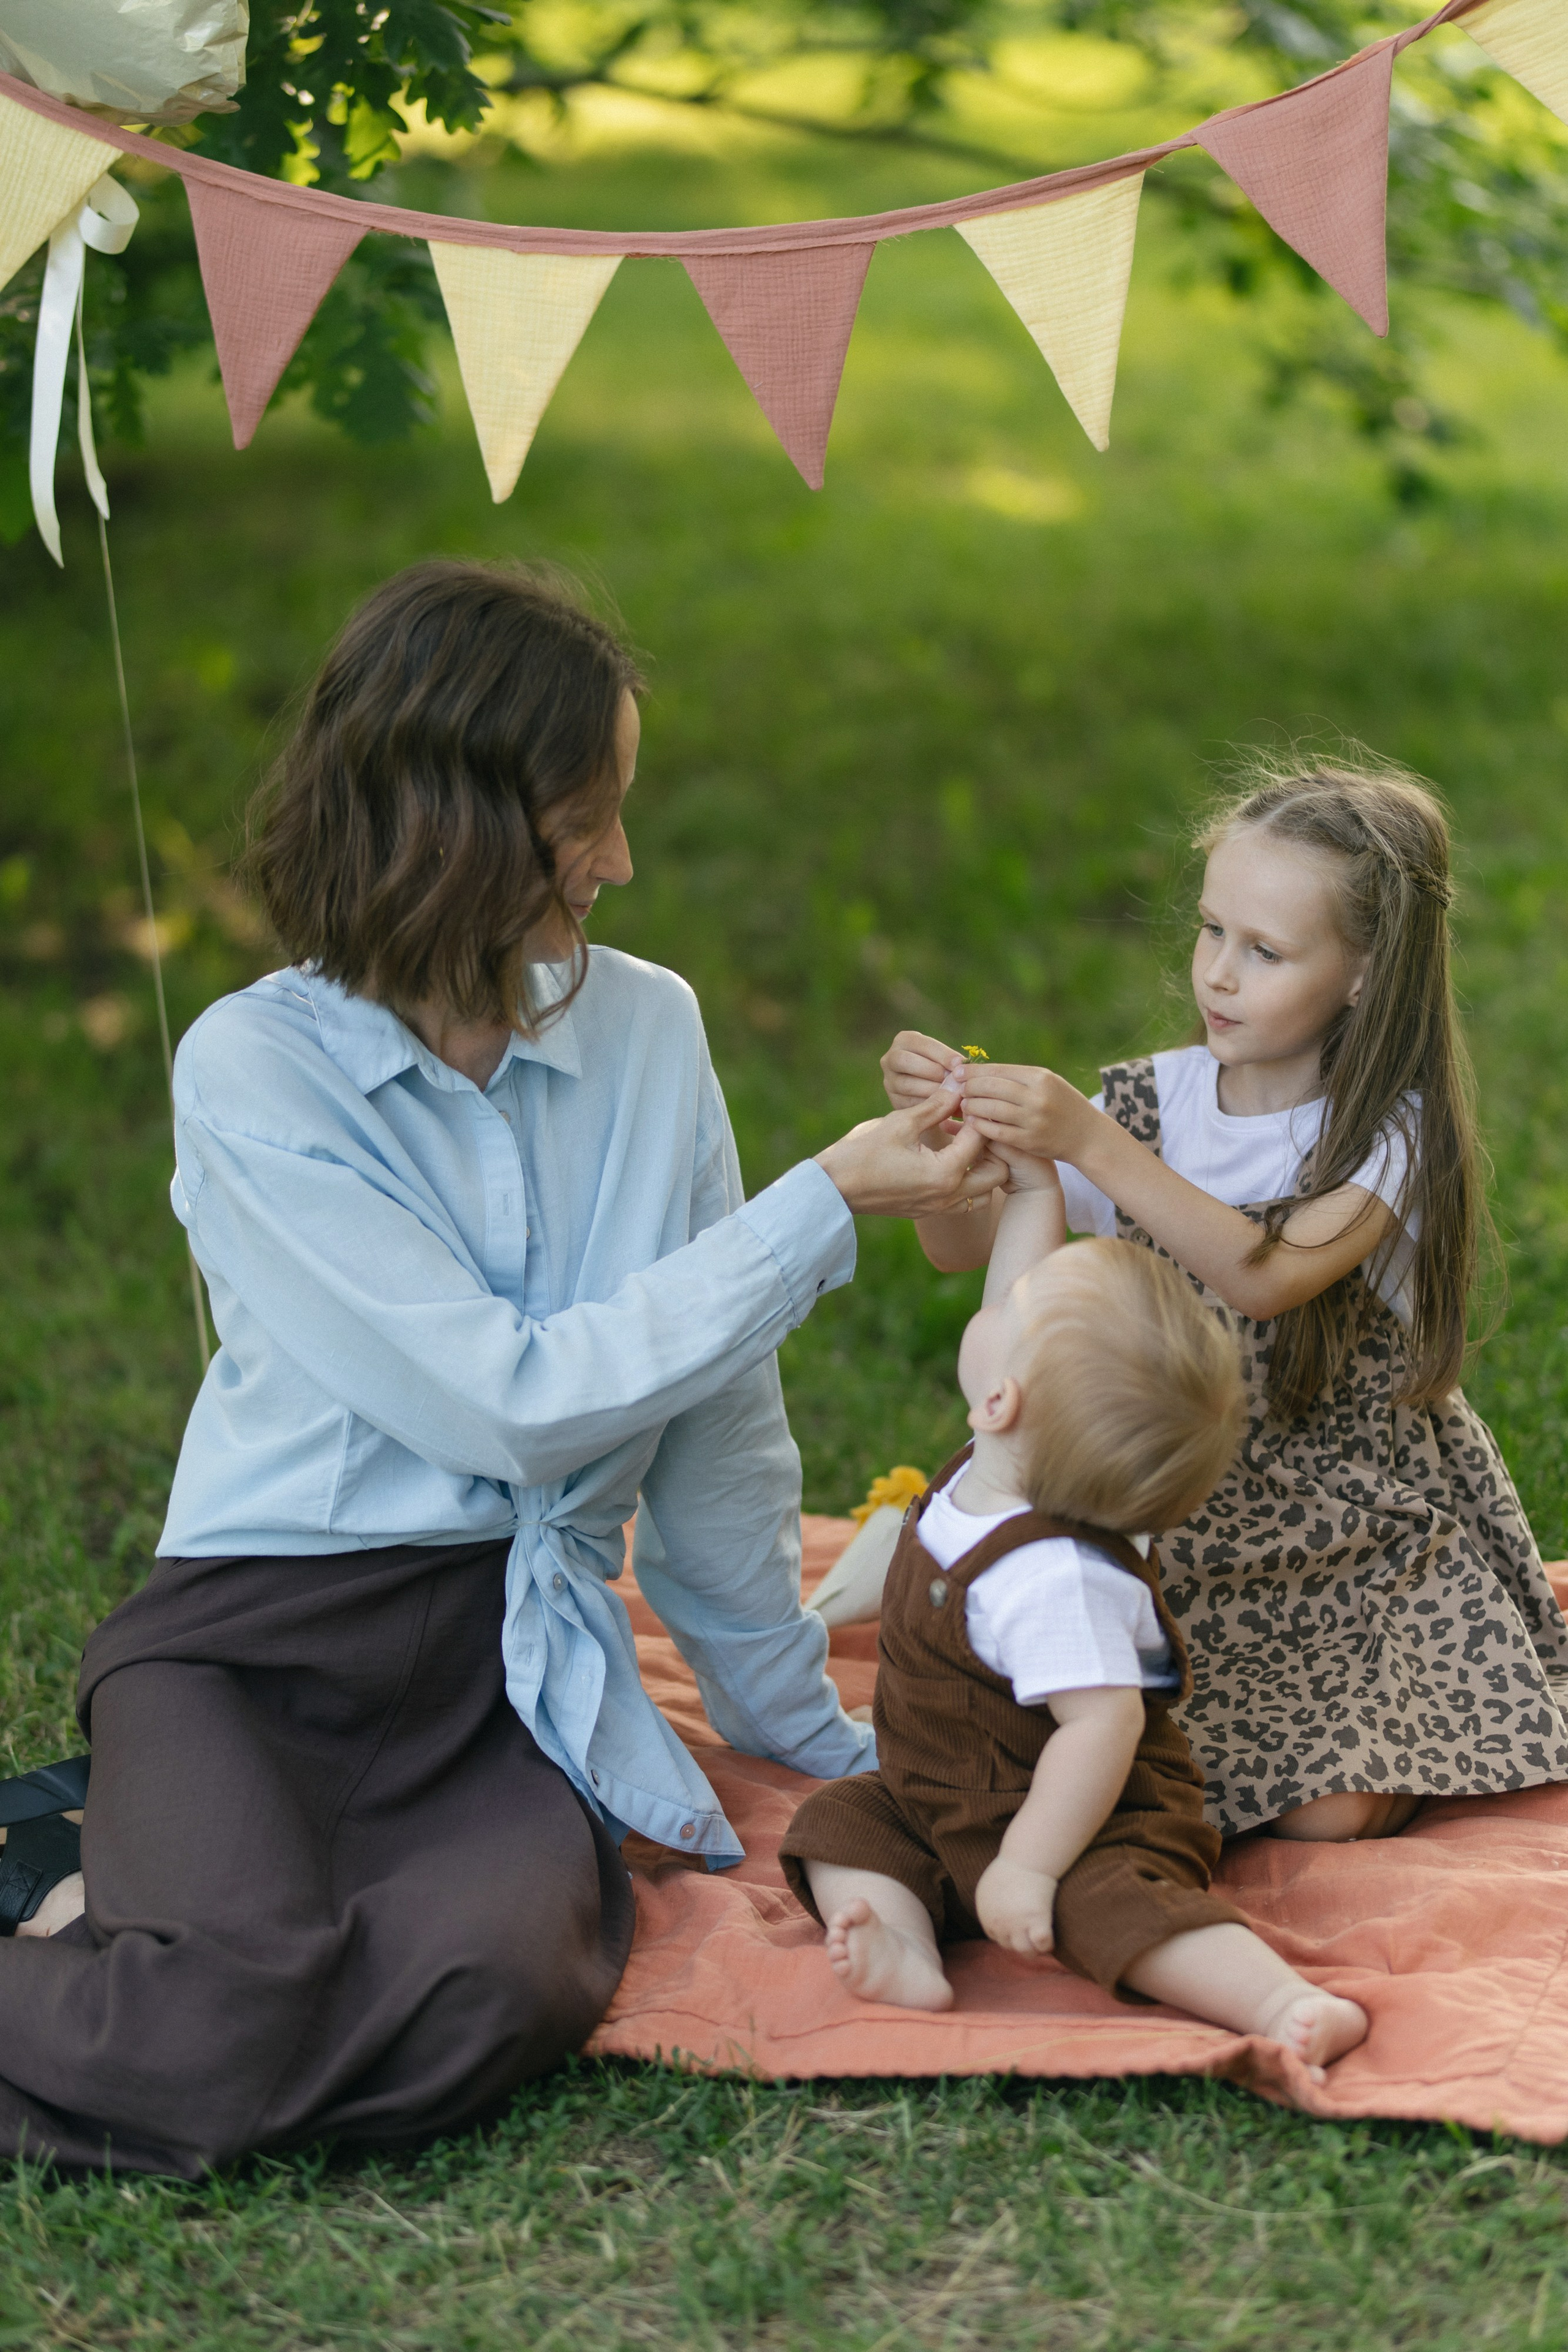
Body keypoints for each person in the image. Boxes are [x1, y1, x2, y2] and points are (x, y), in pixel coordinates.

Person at [0, 559, 1008, 2177]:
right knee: (221, 2029)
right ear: (445, 821)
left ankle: (110, 1928)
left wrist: (801, 1729)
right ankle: (138, 1953)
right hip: (262, 1638)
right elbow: (510, 1401)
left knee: (500, 1991)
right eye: (581, 815)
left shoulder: (650, 1030)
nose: (621, 858)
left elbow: (712, 1430)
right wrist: (825, 1200)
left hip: (510, 1668)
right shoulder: (257, 1067)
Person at [883, 757, 1568, 1841]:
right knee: (1135, 1758)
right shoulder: (1148, 1102)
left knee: (1327, 1817)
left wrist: (1089, 1143)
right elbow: (963, 1251)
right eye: (1211, 931)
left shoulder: (1392, 1130)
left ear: (1363, 972)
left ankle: (1407, 1730)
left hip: (1356, 1531)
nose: (1219, 973)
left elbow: (1262, 1273)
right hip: (1171, 1513)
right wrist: (946, 1148)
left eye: (1265, 951)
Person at [779, 1158, 1370, 2074]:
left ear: (1001, 1397)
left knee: (1119, 1909)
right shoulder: (1004, 1453)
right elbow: (1024, 1282)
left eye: (1004, 1314)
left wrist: (1031, 1867)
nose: (997, 1302)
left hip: (1086, 1820)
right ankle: (905, 1948)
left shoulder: (1056, 1579)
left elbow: (1104, 1727)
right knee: (842, 1826)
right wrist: (1028, 1183)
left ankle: (1284, 1999)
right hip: (934, 1796)